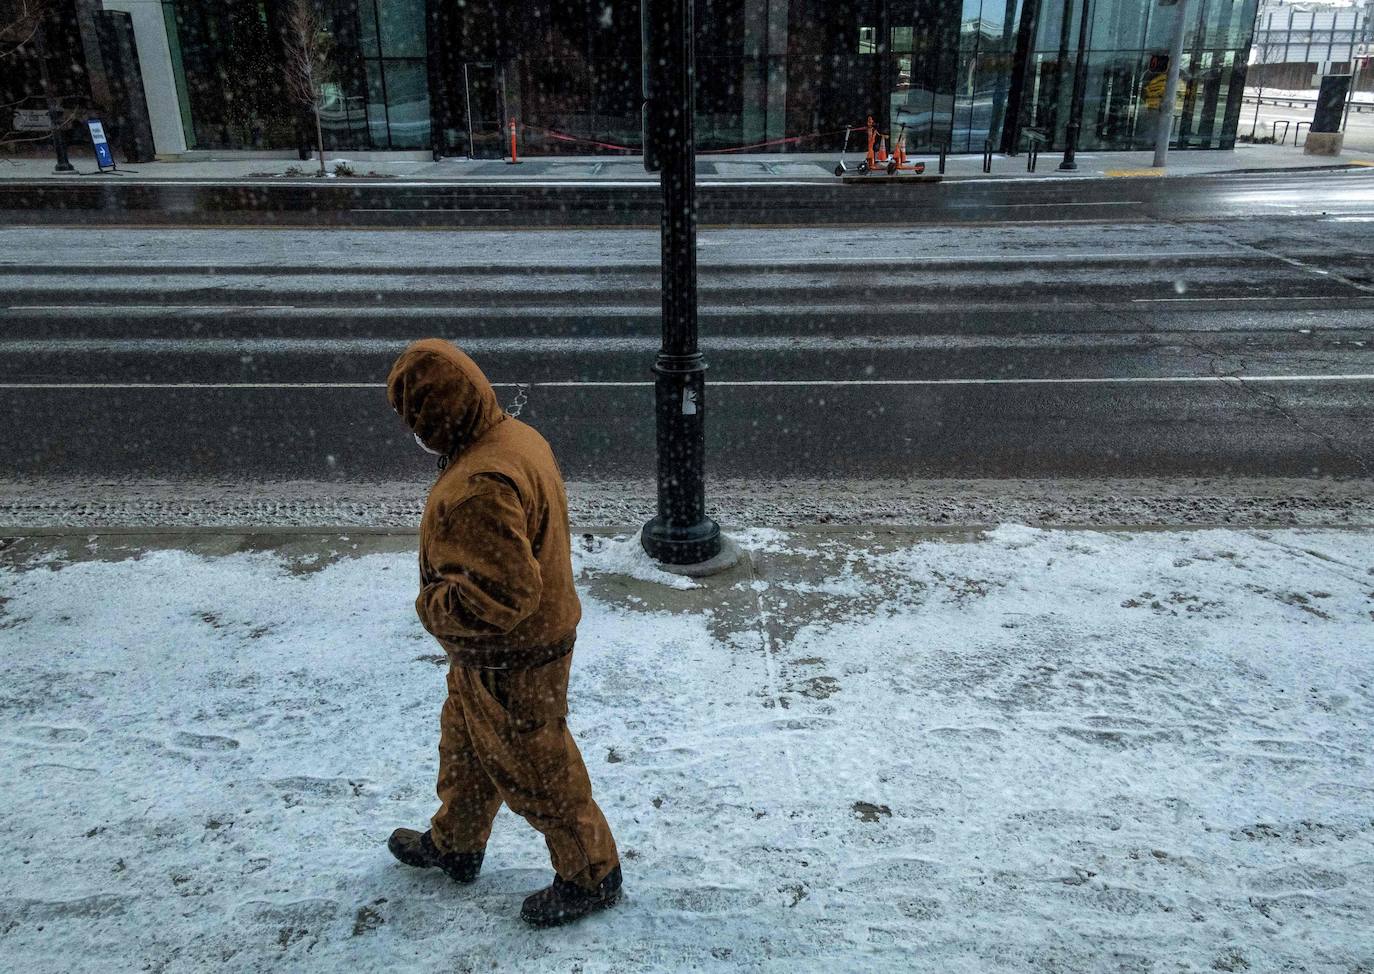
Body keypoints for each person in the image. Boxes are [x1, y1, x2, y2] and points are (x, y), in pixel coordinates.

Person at [384, 338, 621, 927]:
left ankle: (591, 874)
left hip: (514, 657)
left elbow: (503, 598)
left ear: (437, 420)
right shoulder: (512, 436)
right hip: (499, 654)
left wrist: (433, 606)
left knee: (538, 768)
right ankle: (456, 844)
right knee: (464, 748)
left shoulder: (478, 484)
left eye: (414, 418)